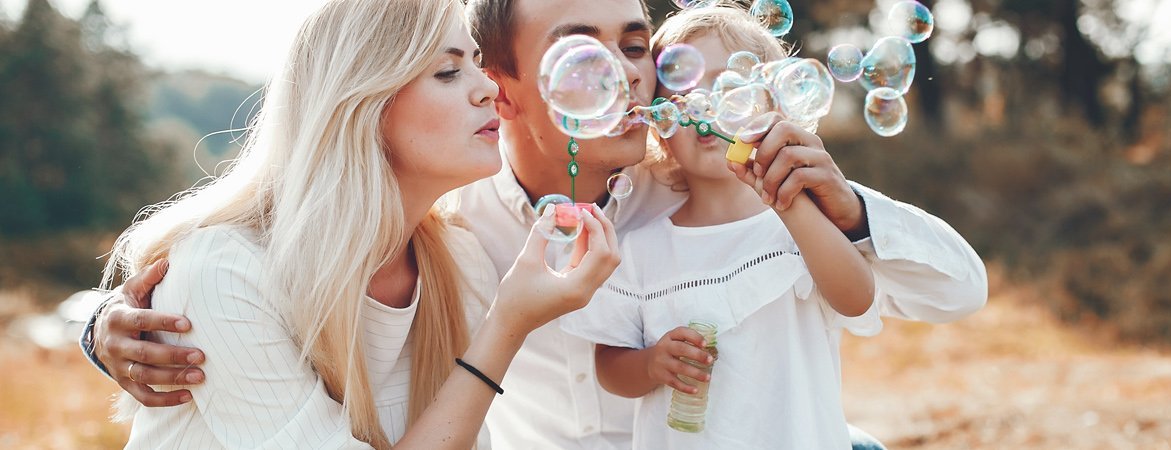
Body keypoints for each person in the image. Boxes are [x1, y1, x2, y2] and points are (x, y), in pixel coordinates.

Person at [83, 0, 988, 448]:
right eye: (583, 51)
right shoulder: (462, 230)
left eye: (638, 46)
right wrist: (107, 329)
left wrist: (848, 207)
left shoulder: (709, 183)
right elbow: (262, 260)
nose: (628, 72)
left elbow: (953, 290)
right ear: (507, 86)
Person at [94, 0, 620, 448]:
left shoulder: (459, 261)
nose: (488, 90)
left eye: (478, 64)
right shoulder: (225, 271)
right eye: (448, 71)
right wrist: (508, 323)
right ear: (363, 102)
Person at [560, 6, 886, 448]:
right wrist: (653, 363)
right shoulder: (639, 248)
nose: (705, 104)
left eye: (730, 87)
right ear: (660, 124)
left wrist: (788, 204)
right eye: (683, 91)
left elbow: (856, 298)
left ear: (775, 107)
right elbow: (609, 367)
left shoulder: (797, 223)